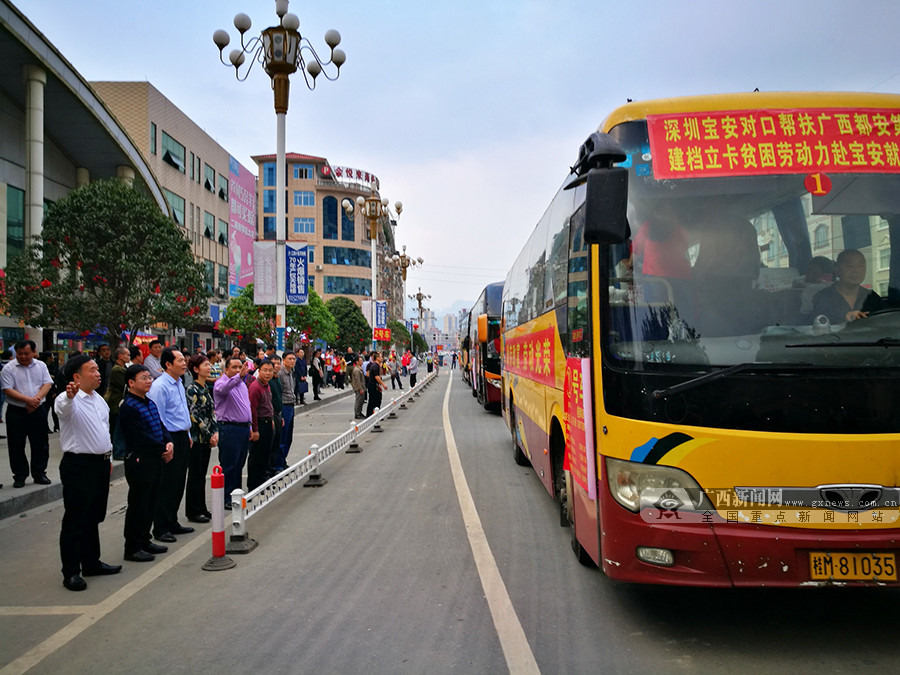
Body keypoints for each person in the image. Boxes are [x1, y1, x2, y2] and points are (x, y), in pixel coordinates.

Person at [55, 355, 121, 591]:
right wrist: (70, 396)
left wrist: (109, 458)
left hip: (100, 465)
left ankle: (91, 562)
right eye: (92, 370)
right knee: (75, 519)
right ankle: (71, 572)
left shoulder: (99, 400)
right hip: (79, 466)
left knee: (94, 516)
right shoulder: (67, 398)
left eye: (97, 369)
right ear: (76, 376)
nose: (98, 373)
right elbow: (63, 409)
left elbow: (104, 431)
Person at [119, 364, 173, 562]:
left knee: (151, 501)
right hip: (140, 460)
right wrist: (161, 448)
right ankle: (132, 546)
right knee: (138, 504)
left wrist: (168, 442)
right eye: (144, 378)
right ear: (131, 383)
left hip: (155, 458)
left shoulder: (149, 402)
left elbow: (160, 425)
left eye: (149, 377)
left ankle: (144, 539)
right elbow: (138, 437)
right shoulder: (128, 407)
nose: (149, 380)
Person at [147, 348, 194, 543]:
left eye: (184, 360)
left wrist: (188, 433)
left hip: (182, 436)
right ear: (168, 364)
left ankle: (172, 520)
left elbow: (182, 410)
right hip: (170, 438)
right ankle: (161, 527)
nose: (184, 363)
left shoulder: (178, 382)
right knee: (166, 484)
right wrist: (165, 442)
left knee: (178, 482)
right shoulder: (160, 386)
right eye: (180, 360)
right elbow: (159, 417)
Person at [1, 339, 53, 487]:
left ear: (34, 353)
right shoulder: (9, 369)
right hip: (16, 411)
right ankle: (20, 475)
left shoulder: (41, 366)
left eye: (26, 353)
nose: (23, 356)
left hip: (38, 410)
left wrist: (36, 400)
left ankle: (39, 473)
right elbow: (7, 389)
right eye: (19, 354)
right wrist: (28, 401)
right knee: (16, 444)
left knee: (41, 443)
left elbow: (47, 383)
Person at [213, 356, 252, 509]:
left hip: (243, 428)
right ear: (226, 369)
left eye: (239, 367)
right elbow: (223, 389)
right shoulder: (221, 383)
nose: (237, 370)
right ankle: (226, 497)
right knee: (229, 464)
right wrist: (239, 376)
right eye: (234, 368)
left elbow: (246, 406)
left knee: (239, 463)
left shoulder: (242, 384)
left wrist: (249, 427)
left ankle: (236, 494)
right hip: (229, 428)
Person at [185, 354, 218, 524]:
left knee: (202, 474)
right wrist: (208, 434)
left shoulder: (205, 388)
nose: (208, 367)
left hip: (207, 439)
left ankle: (202, 507)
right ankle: (193, 510)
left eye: (208, 364)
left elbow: (211, 413)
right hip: (197, 439)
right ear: (196, 369)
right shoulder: (192, 389)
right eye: (205, 365)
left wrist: (215, 431)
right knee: (195, 475)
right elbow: (194, 415)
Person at [811, 249, 881, 324]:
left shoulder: (871, 297)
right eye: (850, 266)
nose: (856, 270)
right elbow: (815, 325)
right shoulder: (822, 297)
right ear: (837, 269)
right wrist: (843, 317)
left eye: (860, 266)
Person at [247, 359, 275, 491]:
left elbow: (268, 405)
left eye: (270, 371)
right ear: (259, 370)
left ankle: (262, 481)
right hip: (260, 423)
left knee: (265, 454)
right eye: (265, 370)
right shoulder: (255, 387)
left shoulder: (267, 385)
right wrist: (255, 429)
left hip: (268, 422)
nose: (268, 373)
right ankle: (253, 485)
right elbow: (252, 409)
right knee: (256, 456)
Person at [104, 347, 130, 460]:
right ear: (120, 356)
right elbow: (125, 384)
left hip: (121, 402)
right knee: (117, 428)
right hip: (117, 402)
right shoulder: (117, 370)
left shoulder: (123, 368)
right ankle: (118, 451)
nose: (129, 357)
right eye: (127, 355)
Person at [277, 351, 297, 470]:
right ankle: (278, 464)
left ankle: (283, 460)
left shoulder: (290, 373)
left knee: (289, 436)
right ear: (283, 360)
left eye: (293, 359)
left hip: (291, 405)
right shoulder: (280, 373)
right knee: (283, 436)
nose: (292, 361)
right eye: (290, 359)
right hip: (284, 406)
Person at [268, 355, 284, 476]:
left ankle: (274, 468)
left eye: (278, 363)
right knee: (270, 445)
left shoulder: (276, 378)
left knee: (276, 444)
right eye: (274, 363)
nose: (276, 366)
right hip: (270, 416)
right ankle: (268, 471)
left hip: (278, 415)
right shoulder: (267, 381)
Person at [366, 352, 387, 418]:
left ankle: (374, 414)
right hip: (373, 385)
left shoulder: (377, 365)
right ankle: (372, 415)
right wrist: (383, 384)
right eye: (381, 357)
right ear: (377, 358)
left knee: (376, 400)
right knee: (374, 400)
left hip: (375, 385)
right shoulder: (375, 366)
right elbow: (376, 377)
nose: (382, 358)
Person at [351, 354, 367, 419]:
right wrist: (360, 389)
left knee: (361, 400)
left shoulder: (359, 369)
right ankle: (357, 413)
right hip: (358, 388)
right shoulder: (356, 370)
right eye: (360, 360)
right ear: (357, 362)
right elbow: (357, 381)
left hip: (362, 387)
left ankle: (360, 412)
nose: (362, 361)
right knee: (358, 400)